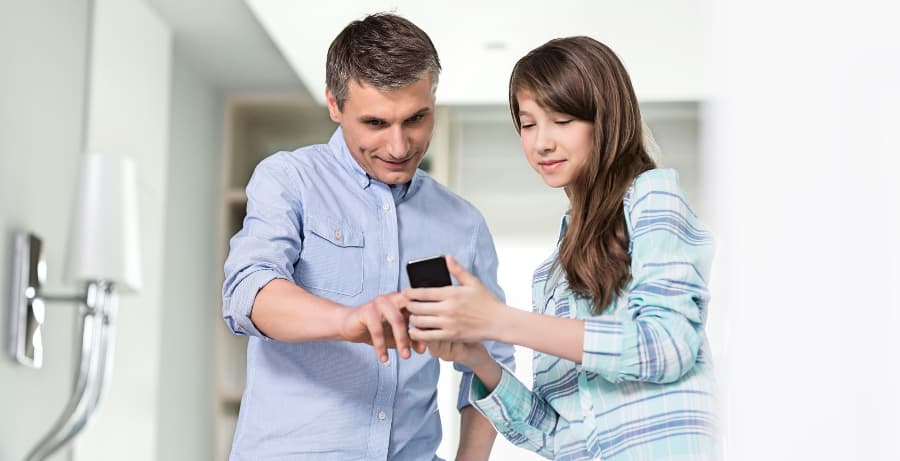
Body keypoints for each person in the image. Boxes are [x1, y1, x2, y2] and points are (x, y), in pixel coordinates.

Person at [405, 36, 717, 460]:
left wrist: (499, 320)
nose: (541, 143)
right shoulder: (551, 273)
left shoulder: (652, 196)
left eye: (562, 120)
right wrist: (478, 358)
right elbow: (555, 436)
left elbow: (667, 345)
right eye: (529, 124)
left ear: (604, 120)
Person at [221, 13, 514, 461]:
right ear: (335, 106)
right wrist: (347, 321)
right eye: (376, 123)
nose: (399, 147)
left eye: (416, 119)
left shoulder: (464, 224)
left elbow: (490, 361)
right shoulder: (290, 180)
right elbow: (248, 293)